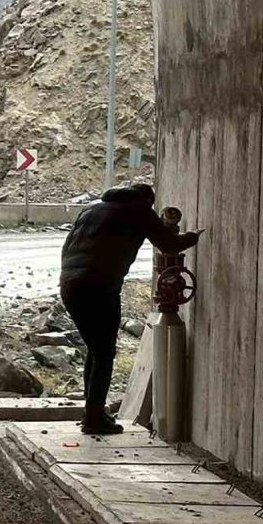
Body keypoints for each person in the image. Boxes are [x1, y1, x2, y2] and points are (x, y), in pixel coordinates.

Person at [60, 183, 201, 435]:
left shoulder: (91, 209)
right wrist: (193, 237)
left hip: (70, 286)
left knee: (96, 349)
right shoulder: (139, 208)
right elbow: (169, 244)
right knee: (104, 352)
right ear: (148, 200)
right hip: (100, 286)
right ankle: (94, 418)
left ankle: (92, 412)